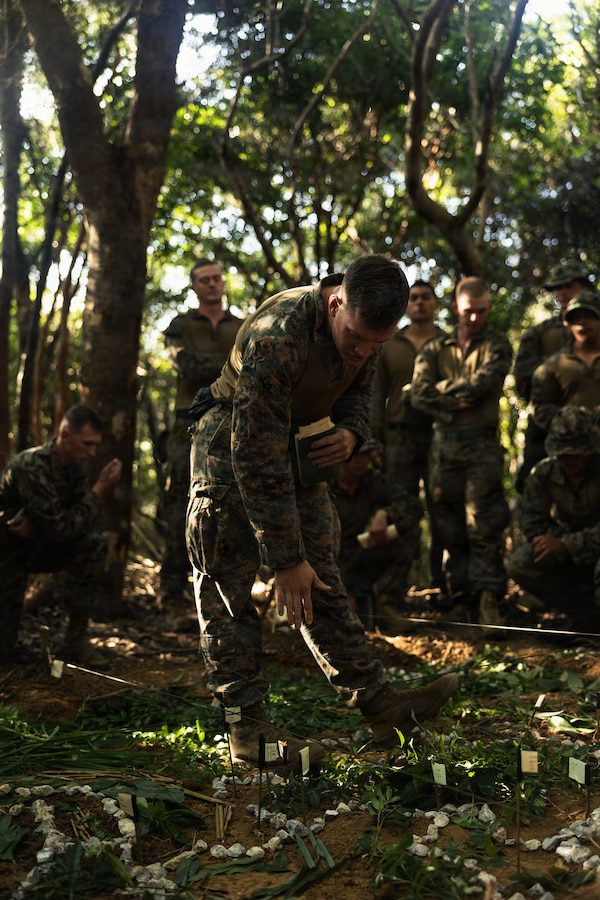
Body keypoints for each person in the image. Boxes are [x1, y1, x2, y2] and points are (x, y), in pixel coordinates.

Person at [186, 254, 458, 768]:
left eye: (375, 344)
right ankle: (245, 730)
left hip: (300, 443)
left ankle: (378, 705)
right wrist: (285, 559)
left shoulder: (368, 329)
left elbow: (359, 391)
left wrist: (352, 432)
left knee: (323, 576)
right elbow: (255, 455)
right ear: (336, 303)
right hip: (231, 446)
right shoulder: (278, 336)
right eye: (356, 337)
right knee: (228, 582)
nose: (363, 350)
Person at [411, 276, 512, 629]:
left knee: (483, 522)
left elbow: (486, 384)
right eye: (469, 311)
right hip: (444, 449)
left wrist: (442, 391)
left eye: (481, 311)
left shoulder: (498, 345)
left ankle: (488, 601)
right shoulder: (435, 348)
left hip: (482, 446)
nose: (474, 319)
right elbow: (418, 394)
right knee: (449, 525)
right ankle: (460, 599)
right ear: (456, 308)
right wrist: (457, 402)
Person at [0, 404, 122, 665]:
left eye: (96, 445)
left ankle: (76, 641)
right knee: (4, 652)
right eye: (87, 444)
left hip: (39, 545)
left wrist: (39, 523)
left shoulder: (74, 468)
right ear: (65, 435)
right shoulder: (32, 465)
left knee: (94, 545)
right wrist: (99, 489)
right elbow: (62, 527)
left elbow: (80, 525)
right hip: (8, 551)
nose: (92, 453)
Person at [160, 259, 243, 607]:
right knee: (180, 499)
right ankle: (171, 587)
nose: (211, 285)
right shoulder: (179, 325)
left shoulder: (242, 325)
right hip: (187, 420)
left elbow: (257, 363)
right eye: (204, 280)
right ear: (193, 287)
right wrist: (232, 364)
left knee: (232, 498)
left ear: (223, 285)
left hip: (233, 418)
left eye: (216, 279)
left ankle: (227, 589)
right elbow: (186, 366)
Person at [370, 279, 446, 598]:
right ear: (406, 305)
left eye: (425, 298)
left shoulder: (448, 342)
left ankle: (445, 585)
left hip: (440, 436)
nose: (419, 303)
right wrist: (373, 440)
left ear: (435, 304)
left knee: (443, 510)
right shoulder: (390, 343)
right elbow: (375, 395)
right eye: (413, 298)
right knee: (400, 510)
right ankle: (393, 590)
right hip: (399, 437)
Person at [506, 406, 600, 631]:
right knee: (521, 563)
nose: (569, 460)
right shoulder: (543, 474)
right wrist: (561, 544)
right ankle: (583, 613)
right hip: (569, 552)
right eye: (563, 453)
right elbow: (533, 525)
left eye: (575, 453)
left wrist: (568, 544)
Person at [513, 260, 592, 492]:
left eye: (568, 286)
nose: (562, 293)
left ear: (585, 288)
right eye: (557, 288)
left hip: (593, 430)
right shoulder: (540, 333)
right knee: (535, 491)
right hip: (545, 431)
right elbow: (523, 375)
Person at [331, 439, 422, 634]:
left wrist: (385, 513)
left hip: (362, 554)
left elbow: (413, 506)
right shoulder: (323, 484)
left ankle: (385, 603)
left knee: (410, 532)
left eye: (365, 455)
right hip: (330, 563)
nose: (360, 461)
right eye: (354, 455)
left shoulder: (372, 480)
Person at [530, 289, 600, 433]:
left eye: (589, 315)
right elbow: (539, 406)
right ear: (567, 325)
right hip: (574, 449)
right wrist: (572, 418)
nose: (582, 322)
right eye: (575, 318)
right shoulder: (553, 366)